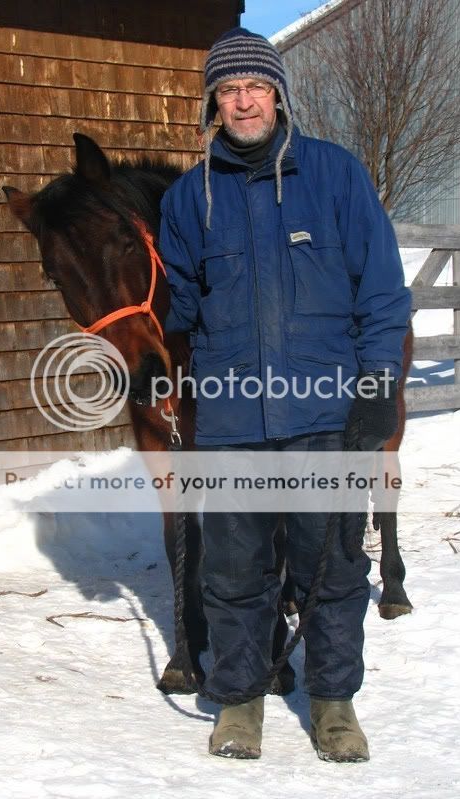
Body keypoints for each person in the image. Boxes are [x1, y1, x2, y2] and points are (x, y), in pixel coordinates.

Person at [159, 27, 411, 761]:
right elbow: (178, 305)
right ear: (214, 104)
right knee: (235, 571)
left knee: (331, 567)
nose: (243, 101)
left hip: (324, 417)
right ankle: (240, 700)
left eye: (255, 87)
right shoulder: (187, 198)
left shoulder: (335, 175)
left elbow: (383, 291)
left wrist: (374, 387)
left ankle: (334, 703)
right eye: (229, 90)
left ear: (277, 94)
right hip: (234, 420)